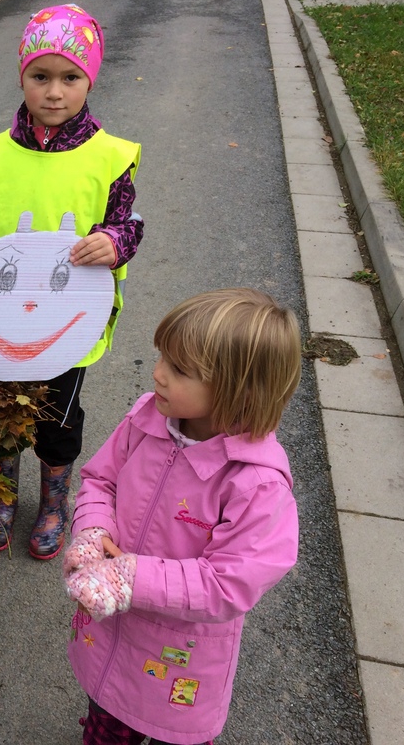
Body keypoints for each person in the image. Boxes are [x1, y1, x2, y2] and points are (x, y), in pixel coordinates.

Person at [0, 3, 143, 560]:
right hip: (1, 321)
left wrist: (114, 242)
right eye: (40, 76)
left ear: (89, 80)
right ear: (22, 76)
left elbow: (127, 223)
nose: (54, 92)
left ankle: (53, 501)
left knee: (58, 419)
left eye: (70, 78)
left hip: (68, 323)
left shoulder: (110, 157)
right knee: (1, 413)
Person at [63, 288, 302, 745]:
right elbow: (101, 480)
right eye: (162, 358)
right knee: (107, 716)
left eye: (179, 369)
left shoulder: (256, 484)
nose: (158, 373)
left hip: (181, 661)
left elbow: (229, 583)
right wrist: (93, 529)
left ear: (240, 390)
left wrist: (130, 578)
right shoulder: (146, 420)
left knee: (173, 732)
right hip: (112, 635)